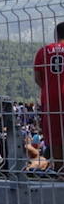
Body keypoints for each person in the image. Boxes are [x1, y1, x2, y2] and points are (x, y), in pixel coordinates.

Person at [34, 21, 64, 173]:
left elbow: (38, 78)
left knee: (56, 138)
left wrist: (48, 87)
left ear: (56, 34)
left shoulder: (43, 51)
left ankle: (60, 171)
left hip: (51, 99)